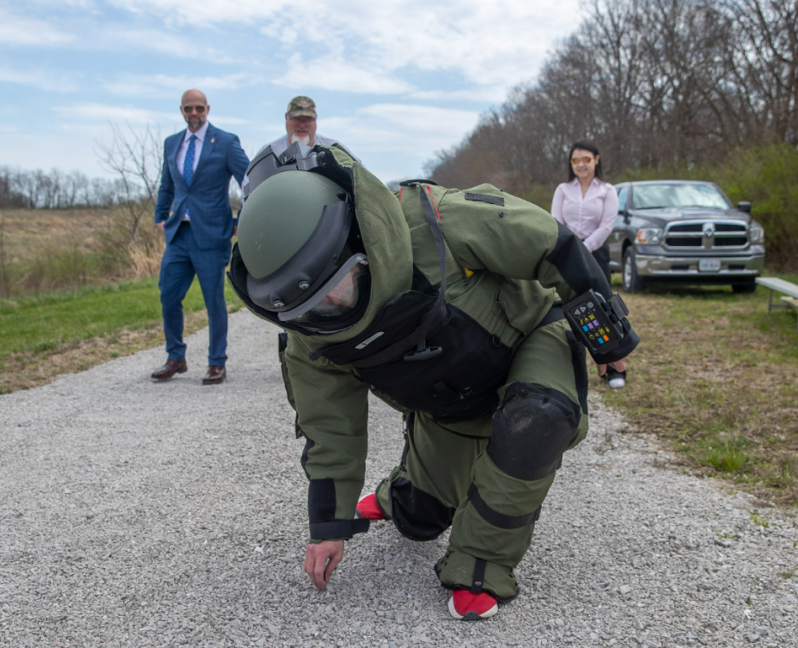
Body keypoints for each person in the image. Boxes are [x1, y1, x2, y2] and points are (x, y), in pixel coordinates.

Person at [228, 144, 638, 620]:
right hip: (452, 402)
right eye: (312, 307)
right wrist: (328, 526)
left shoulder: (438, 220)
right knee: (418, 519)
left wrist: (610, 340)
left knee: (538, 417)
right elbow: (329, 430)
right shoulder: (310, 341)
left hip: (531, 334)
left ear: (355, 238)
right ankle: (404, 495)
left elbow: (553, 246)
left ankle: (482, 564)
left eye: (342, 284)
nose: (334, 308)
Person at [151, 89, 250, 386]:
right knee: (169, 295)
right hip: (179, 234)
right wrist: (160, 215)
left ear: (207, 109)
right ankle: (175, 357)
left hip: (211, 234)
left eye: (198, 108)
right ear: (181, 111)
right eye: (187, 109)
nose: (193, 113)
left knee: (213, 301)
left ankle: (216, 363)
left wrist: (240, 220)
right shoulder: (172, 143)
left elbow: (248, 181)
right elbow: (166, 184)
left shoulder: (226, 141)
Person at [551, 139, 627, 389]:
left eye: (586, 159)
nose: (581, 165)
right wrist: (571, 248)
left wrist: (584, 247)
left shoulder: (607, 190)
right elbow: (555, 220)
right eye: (575, 160)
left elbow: (607, 225)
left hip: (596, 252)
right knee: (570, 308)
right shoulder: (563, 189)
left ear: (596, 160)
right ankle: (571, 368)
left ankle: (615, 367)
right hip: (567, 252)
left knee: (603, 309)